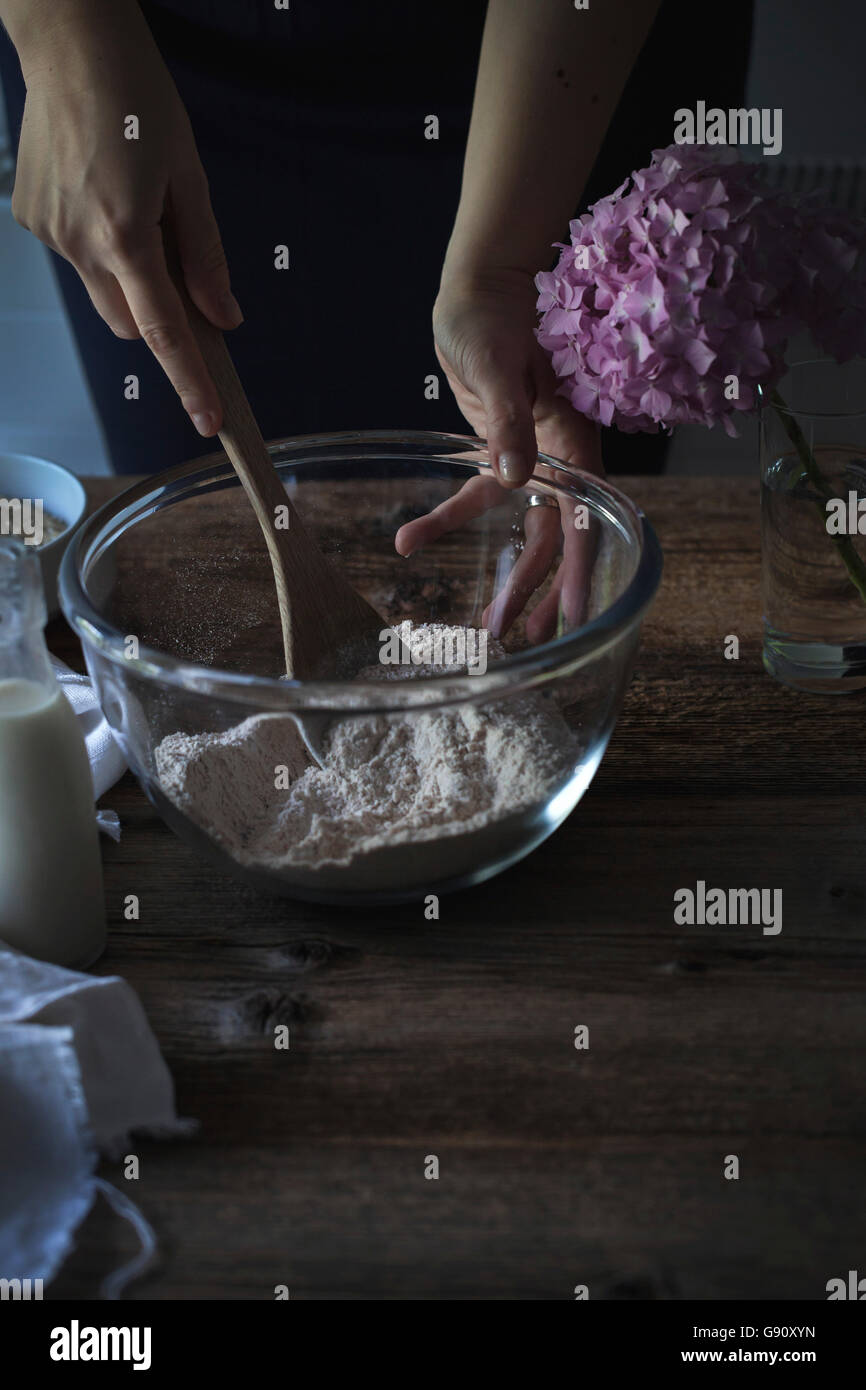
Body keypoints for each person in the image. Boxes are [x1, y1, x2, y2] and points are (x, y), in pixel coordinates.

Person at [0, 0, 754, 482]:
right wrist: (62, 31)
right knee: (193, 510)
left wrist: (497, 270)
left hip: (554, 71)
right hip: (144, 64)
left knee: (541, 464)